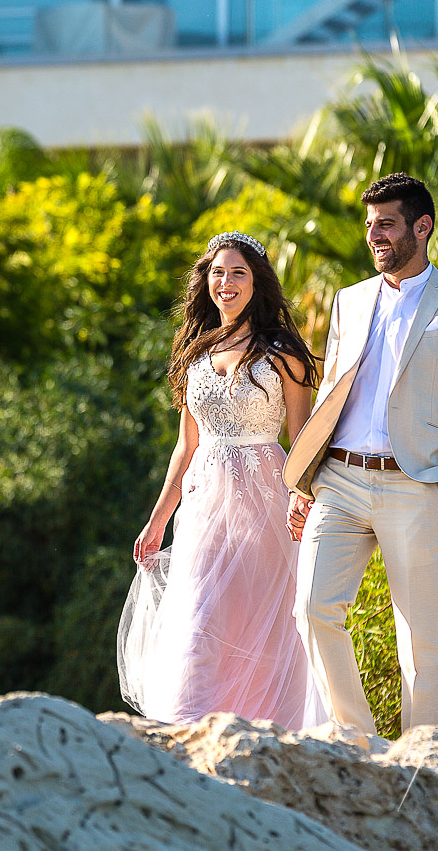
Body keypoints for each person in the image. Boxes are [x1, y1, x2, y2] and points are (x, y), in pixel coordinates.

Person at [284, 173, 438, 736]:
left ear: (421, 227)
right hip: (341, 481)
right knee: (311, 609)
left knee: (422, 635)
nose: (375, 236)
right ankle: (357, 743)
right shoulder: (349, 301)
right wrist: (306, 481)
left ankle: (424, 757)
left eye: (387, 224)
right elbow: (332, 392)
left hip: (417, 484)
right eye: (370, 226)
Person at [118, 231, 328, 730]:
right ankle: (192, 732)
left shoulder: (284, 354)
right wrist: (156, 521)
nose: (226, 283)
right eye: (218, 273)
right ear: (206, 283)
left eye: (238, 273)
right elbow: (185, 447)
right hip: (205, 507)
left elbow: (303, 439)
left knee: (267, 625)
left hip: (267, 507)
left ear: (257, 282)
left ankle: (270, 740)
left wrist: (304, 497)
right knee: (200, 622)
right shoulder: (194, 352)